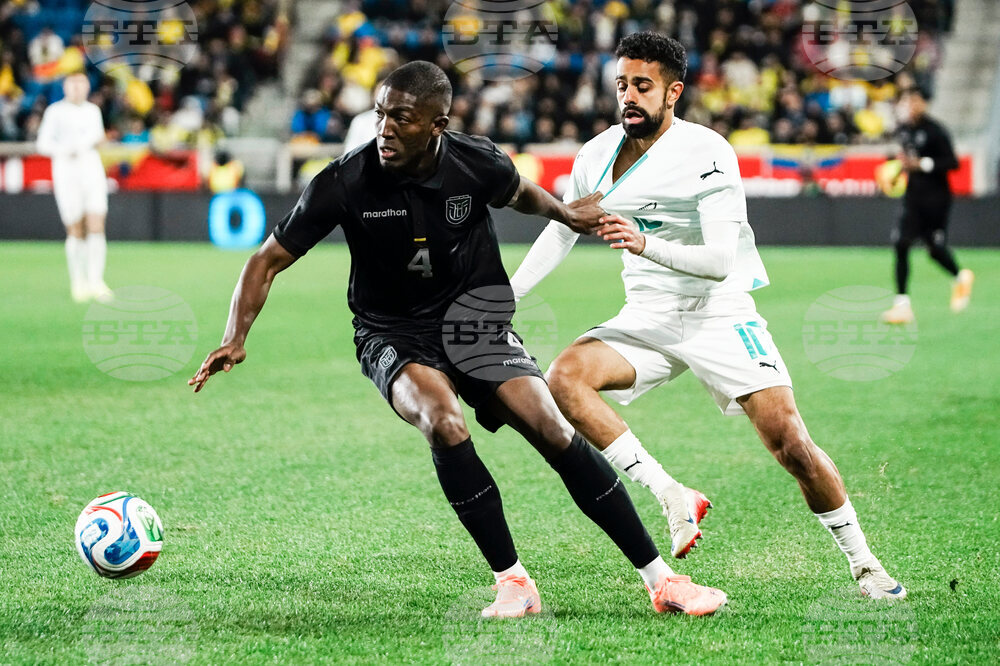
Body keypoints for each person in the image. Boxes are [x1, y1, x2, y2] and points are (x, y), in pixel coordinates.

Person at [189, 61, 727, 618]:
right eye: (380, 115)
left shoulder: (476, 161)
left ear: (437, 124)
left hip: (476, 321)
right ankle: (513, 583)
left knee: (553, 429)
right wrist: (236, 335)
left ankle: (662, 580)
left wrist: (568, 213)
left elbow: (523, 196)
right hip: (392, 332)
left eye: (401, 118)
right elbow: (267, 259)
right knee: (444, 422)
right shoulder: (344, 180)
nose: (385, 129)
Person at [510, 33, 906, 600]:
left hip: (716, 313)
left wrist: (644, 244)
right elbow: (562, 228)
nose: (629, 96)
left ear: (673, 92)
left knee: (791, 444)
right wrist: (510, 295)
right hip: (645, 317)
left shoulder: (708, 152)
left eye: (642, 86)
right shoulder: (594, 155)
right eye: (622, 84)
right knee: (565, 379)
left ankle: (864, 562)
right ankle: (672, 493)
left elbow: (720, 262)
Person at [880, 86, 973, 325]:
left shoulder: (935, 131)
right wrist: (898, 172)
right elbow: (907, 160)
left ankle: (960, 276)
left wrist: (922, 164)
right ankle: (902, 306)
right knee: (901, 243)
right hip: (913, 195)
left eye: (915, 101)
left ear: (924, 103)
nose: (910, 106)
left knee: (934, 248)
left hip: (936, 197)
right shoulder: (904, 131)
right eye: (906, 102)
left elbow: (952, 163)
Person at [36, 72, 111, 303]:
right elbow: (42, 144)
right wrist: (64, 150)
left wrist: (89, 143)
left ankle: (96, 280)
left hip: (91, 170)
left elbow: (98, 136)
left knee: (97, 224)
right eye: (73, 84)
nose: (78, 89)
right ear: (65, 87)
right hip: (67, 173)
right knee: (75, 227)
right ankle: (78, 282)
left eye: (82, 84)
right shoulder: (55, 112)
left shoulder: (92, 111)